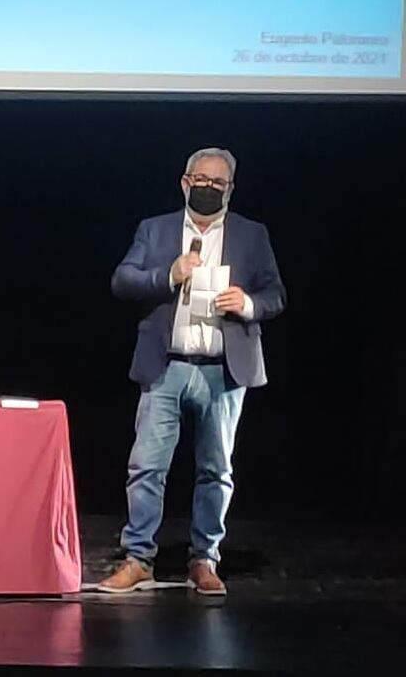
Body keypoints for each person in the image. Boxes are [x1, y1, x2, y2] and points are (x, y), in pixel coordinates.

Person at [98, 147, 286, 596]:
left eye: (218, 183)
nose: (208, 188)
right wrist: (167, 275)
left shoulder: (252, 235)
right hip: (167, 366)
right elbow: (122, 280)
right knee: (146, 467)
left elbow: (276, 294)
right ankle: (139, 558)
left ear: (230, 190)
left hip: (223, 370)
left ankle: (204, 560)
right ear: (185, 183)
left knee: (216, 470)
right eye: (200, 180)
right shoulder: (156, 230)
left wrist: (249, 304)